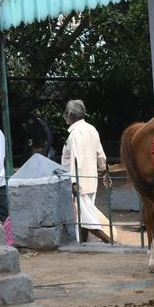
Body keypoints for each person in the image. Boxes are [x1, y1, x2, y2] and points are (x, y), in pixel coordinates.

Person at [61, 100, 111, 244]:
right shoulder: (91, 129)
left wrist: (73, 181)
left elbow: (76, 158)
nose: (65, 115)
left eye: (66, 113)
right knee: (82, 217)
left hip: (79, 182)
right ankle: (82, 243)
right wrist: (103, 169)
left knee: (85, 216)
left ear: (70, 115)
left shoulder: (75, 134)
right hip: (90, 180)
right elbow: (100, 153)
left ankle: (109, 241)